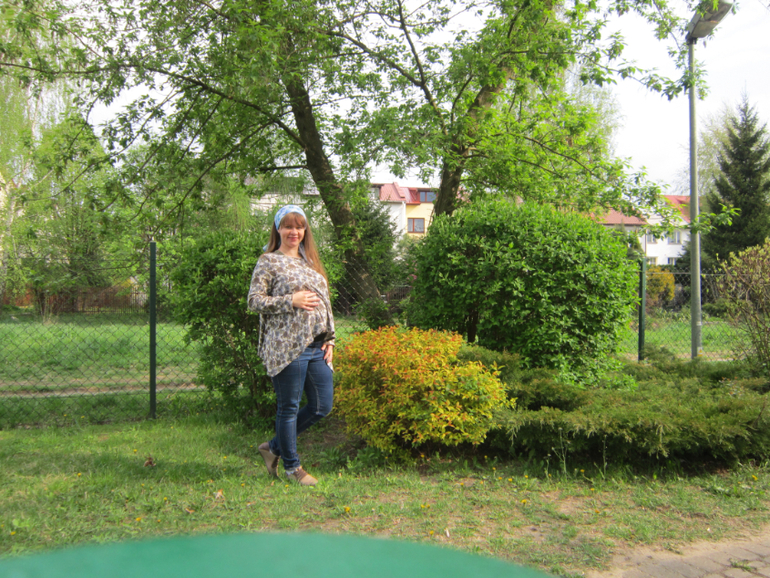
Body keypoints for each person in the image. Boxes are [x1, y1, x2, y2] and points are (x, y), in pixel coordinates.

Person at [247, 205, 335, 486]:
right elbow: (254, 301)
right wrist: (291, 301)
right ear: (278, 229)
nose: (293, 231)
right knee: (289, 408)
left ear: (305, 231)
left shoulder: (310, 262)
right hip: (287, 347)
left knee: (322, 406)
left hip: (317, 346)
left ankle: (273, 447)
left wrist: (330, 338)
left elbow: (326, 303)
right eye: (288, 226)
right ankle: (292, 468)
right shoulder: (268, 261)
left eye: (299, 226)